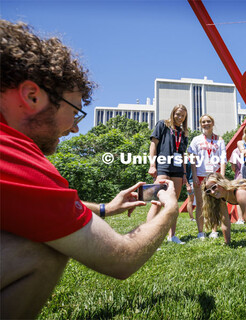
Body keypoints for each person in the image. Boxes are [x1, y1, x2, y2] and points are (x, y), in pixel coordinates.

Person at [0, 20, 179, 319]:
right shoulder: (12, 155)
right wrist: (170, 211)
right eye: (75, 112)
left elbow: (33, 204)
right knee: (41, 249)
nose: (76, 127)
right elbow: (121, 258)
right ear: (32, 96)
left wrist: (107, 208)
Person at [148, 104, 189, 244]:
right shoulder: (162, 125)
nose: (179, 117)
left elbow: (183, 155)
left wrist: (184, 173)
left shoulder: (183, 133)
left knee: (173, 204)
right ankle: (149, 237)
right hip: (163, 166)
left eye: (182, 116)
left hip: (177, 169)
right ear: (173, 113)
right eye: (178, 114)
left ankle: (172, 236)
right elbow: (153, 144)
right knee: (157, 202)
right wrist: (152, 165)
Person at [188, 114, 227, 239]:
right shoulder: (196, 140)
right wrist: (193, 176)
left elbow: (223, 159)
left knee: (214, 203)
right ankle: (201, 232)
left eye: (208, 121)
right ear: (200, 124)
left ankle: (214, 230)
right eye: (203, 122)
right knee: (200, 203)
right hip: (200, 175)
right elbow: (192, 159)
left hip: (214, 176)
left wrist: (222, 177)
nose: (206, 123)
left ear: (212, 123)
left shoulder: (219, 140)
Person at [229, 147, 245, 224]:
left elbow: (233, 166)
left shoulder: (235, 150)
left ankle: (240, 219)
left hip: (239, 176)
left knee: (239, 198)